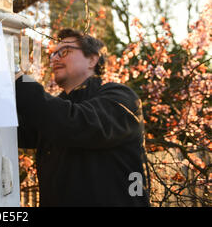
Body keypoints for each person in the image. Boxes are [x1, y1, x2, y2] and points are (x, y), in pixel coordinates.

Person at [15, 28, 150, 206]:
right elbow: (13, 131)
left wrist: (19, 81)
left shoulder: (121, 97)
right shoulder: (53, 111)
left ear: (92, 59)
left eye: (64, 51)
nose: (54, 58)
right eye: (53, 54)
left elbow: (76, 123)